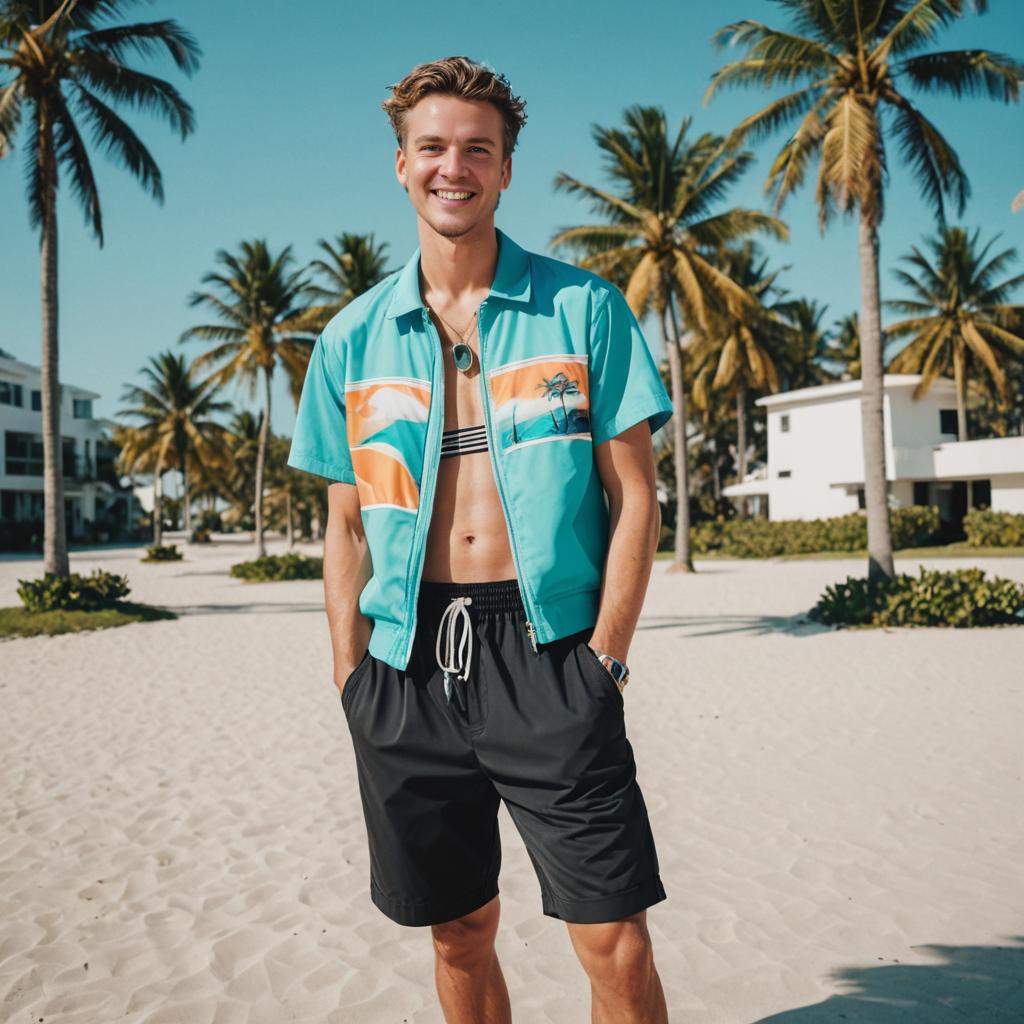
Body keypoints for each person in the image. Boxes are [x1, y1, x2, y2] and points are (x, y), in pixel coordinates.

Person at [288, 55, 672, 1024]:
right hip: (407, 664)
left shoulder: (583, 308)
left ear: (505, 168)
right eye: (432, 147)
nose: (451, 167)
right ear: (401, 164)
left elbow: (636, 498)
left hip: (549, 658)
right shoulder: (351, 337)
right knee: (459, 932)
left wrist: (606, 664)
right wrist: (350, 673)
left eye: (476, 149)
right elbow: (342, 523)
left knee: (614, 943)